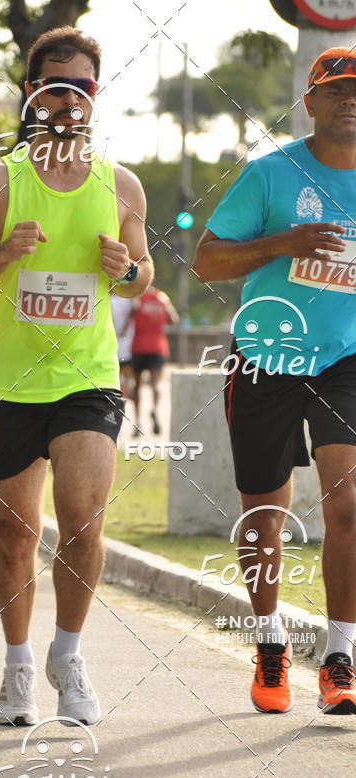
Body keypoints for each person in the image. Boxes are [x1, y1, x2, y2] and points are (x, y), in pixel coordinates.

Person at [0, 26, 153, 726]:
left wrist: (126, 267)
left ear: (95, 97)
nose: (66, 101)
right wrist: (1, 253)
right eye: (53, 87)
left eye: (80, 89)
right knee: (17, 536)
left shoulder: (120, 184)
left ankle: (68, 653)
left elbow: (140, 276)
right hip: (9, 382)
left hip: (87, 376)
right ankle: (18, 666)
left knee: (85, 523)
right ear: (31, 94)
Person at [193, 46, 356, 716]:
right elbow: (205, 259)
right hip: (267, 353)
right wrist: (280, 244)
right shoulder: (269, 175)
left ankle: (341, 656)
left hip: (348, 356)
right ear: (311, 102)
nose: (352, 102)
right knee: (266, 514)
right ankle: (269, 639)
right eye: (339, 91)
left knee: (348, 503)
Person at [130, 285, 177, 436]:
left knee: (137, 385)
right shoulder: (162, 297)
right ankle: (155, 409)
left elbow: (128, 319)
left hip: (138, 346)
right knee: (156, 382)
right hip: (157, 347)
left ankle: (137, 422)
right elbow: (173, 319)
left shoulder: (136, 298)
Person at [110, 292, 135, 400]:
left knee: (120, 372)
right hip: (123, 345)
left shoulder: (112, 300)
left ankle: (123, 392)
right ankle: (125, 391)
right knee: (124, 370)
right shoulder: (126, 299)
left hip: (119, 344)